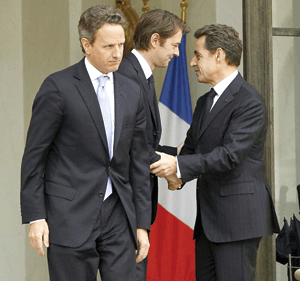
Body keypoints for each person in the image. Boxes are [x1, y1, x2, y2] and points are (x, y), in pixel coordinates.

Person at [20, 5, 151, 281]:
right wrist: (36, 217)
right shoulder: (57, 87)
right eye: (108, 46)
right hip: (69, 217)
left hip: (119, 216)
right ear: (86, 45)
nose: (118, 53)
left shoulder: (132, 90)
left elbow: (138, 161)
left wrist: (142, 224)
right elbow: (35, 157)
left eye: (121, 44)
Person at [150, 24, 280, 281]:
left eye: (198, 55)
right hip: (209, 223)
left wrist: (176, 168)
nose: (191, 62)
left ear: (218, 55)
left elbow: (229, 156)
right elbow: (189, 151)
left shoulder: (248, 102)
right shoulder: (205, 102)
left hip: (238, 223)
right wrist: (147, 155)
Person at [117, 9, 189, 280]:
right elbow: (128, 146)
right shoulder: (126, 76)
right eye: (175, 45)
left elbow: (142, 140)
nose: (178, 54)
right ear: (155, 40)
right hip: (125, 205)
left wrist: (175, 154)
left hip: (136, 203)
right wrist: (175, 168)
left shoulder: (141, 75)